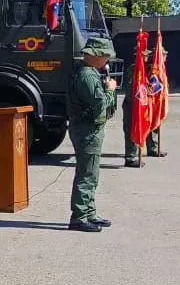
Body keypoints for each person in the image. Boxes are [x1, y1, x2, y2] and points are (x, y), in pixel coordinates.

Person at [67, 36, 118, 232]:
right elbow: (100, 104)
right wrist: (110, 90)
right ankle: (79, 216)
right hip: (87, 131)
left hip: (89, 129)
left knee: (92, 173)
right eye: (105, 56)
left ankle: (89, 212)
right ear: (95, 56)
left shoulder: (87, 72)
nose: (107, 60)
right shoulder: (87, 76)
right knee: (87, 174)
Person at [122, 46, 167, 167]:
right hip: (133, 105)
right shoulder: (134, 69)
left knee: (151, 124)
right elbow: (132, 90)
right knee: (133, 129)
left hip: (146, 104)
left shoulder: (152, 68)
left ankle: (152, 148)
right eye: (144, 56)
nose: (146, 58)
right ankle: (131, 157)